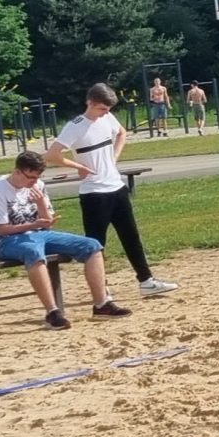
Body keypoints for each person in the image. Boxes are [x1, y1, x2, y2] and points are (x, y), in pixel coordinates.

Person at [48, 83, 178, 296]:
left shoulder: (107, 118)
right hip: (94, 194)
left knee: (131, 236)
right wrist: (78, 166)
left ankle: (146, 280)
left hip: (116, 187)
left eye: (108, 109)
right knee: (96, 244)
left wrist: (114, 157)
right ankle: (102, 289)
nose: (105, 113)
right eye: (102, 108)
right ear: (90, 102)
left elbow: (121, 133)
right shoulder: (75, 126)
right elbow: (52, 154)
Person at [0, 150, 129, 329]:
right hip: (7, 240)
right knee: (33, 251)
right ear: (18, 171)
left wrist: (41, 205)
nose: (34, 182)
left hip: (39, 233)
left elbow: (47, 223)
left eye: (38, 177)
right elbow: (1, 229)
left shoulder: (38, 185)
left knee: (92, 245)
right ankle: (52, 312)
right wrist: (34, 224)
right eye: (30, 177)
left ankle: (102, 304)